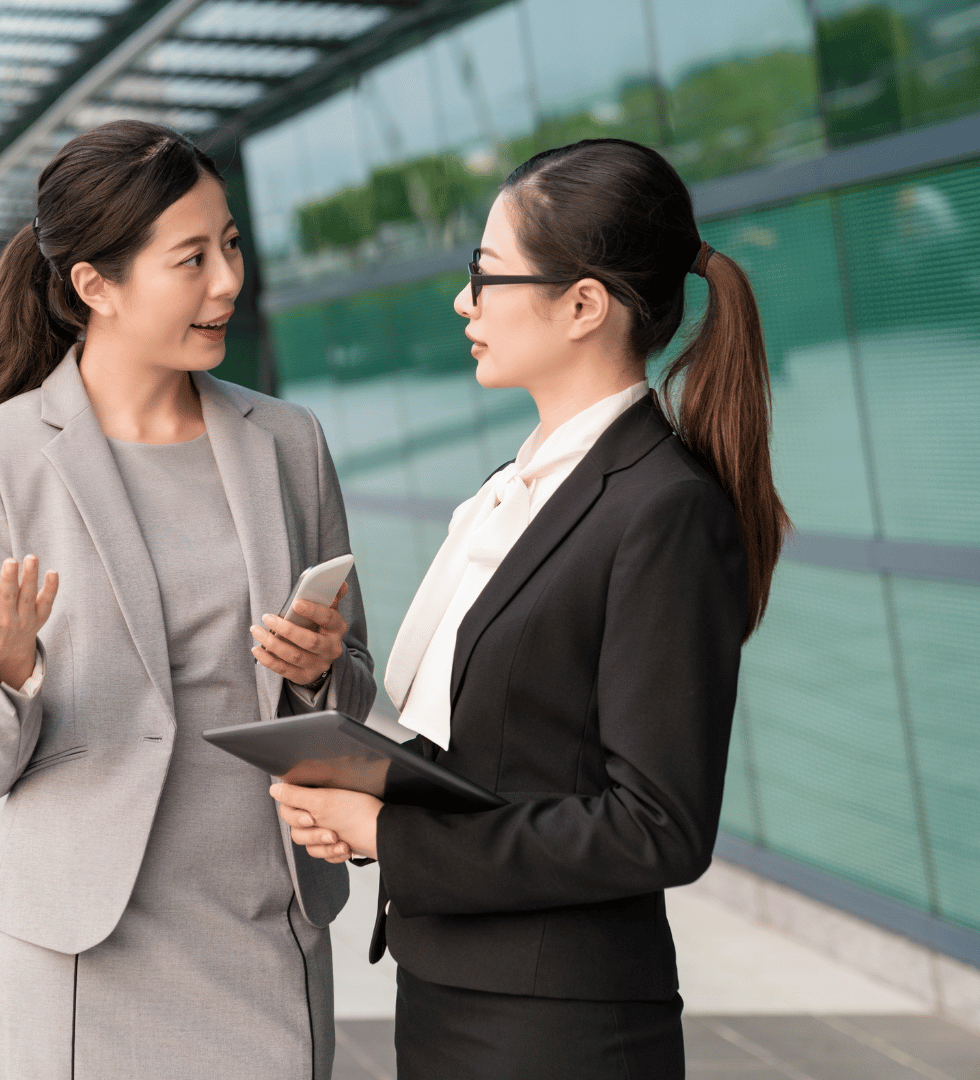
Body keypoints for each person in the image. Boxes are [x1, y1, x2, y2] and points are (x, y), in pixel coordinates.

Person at [271, 138, 790, 1079]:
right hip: (451, 988)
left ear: (582, 304)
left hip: (557, 1029)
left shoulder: (662, 507)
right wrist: (362, 789)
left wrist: (388, 834)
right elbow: (500, 754)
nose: (465, 301)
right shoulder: (521, 486)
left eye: (486, 273)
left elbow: (655, 826)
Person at [0, 120, 377, 1080]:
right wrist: (6, 669)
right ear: (95, 285)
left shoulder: (287, 441)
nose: (226, 280)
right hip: (82, 943)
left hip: (264, 921)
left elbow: (352, 698)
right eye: (191, 258)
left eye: (231, 245)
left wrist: (319, 672)